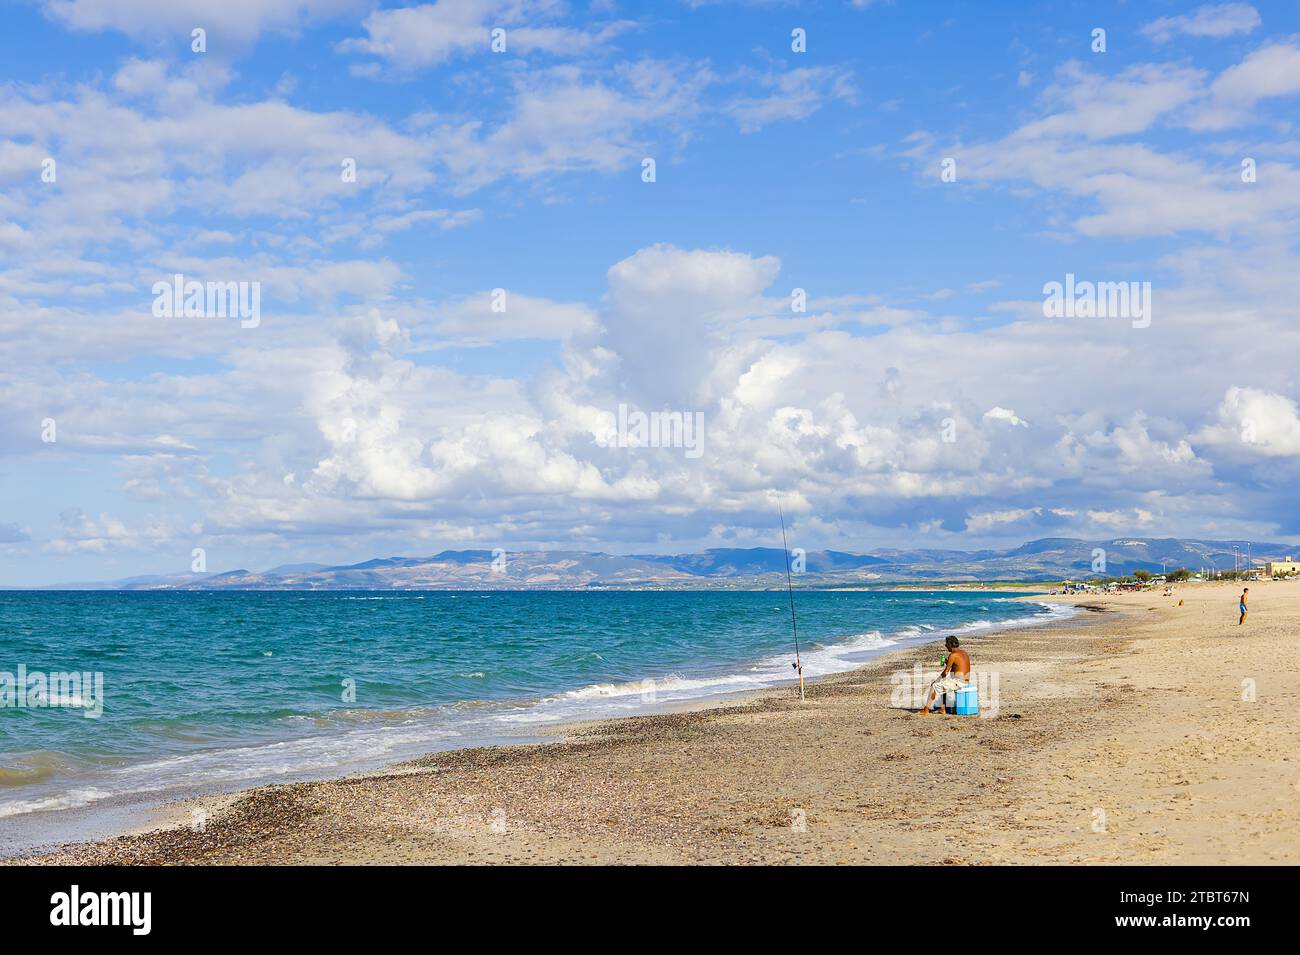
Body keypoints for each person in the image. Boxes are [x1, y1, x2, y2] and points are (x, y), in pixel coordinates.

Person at [918, 636, 970, 715]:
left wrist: (936, 681)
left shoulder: (953, 655)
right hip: (966, 681)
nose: (945, 646)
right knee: (943, 683)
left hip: (959, 682)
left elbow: (945, 672)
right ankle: (943, 708)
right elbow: (958, 666)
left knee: (934, 685)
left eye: (947, 644)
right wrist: (948, 663)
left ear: (951, 644)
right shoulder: (964, 653)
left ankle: (926, 709)